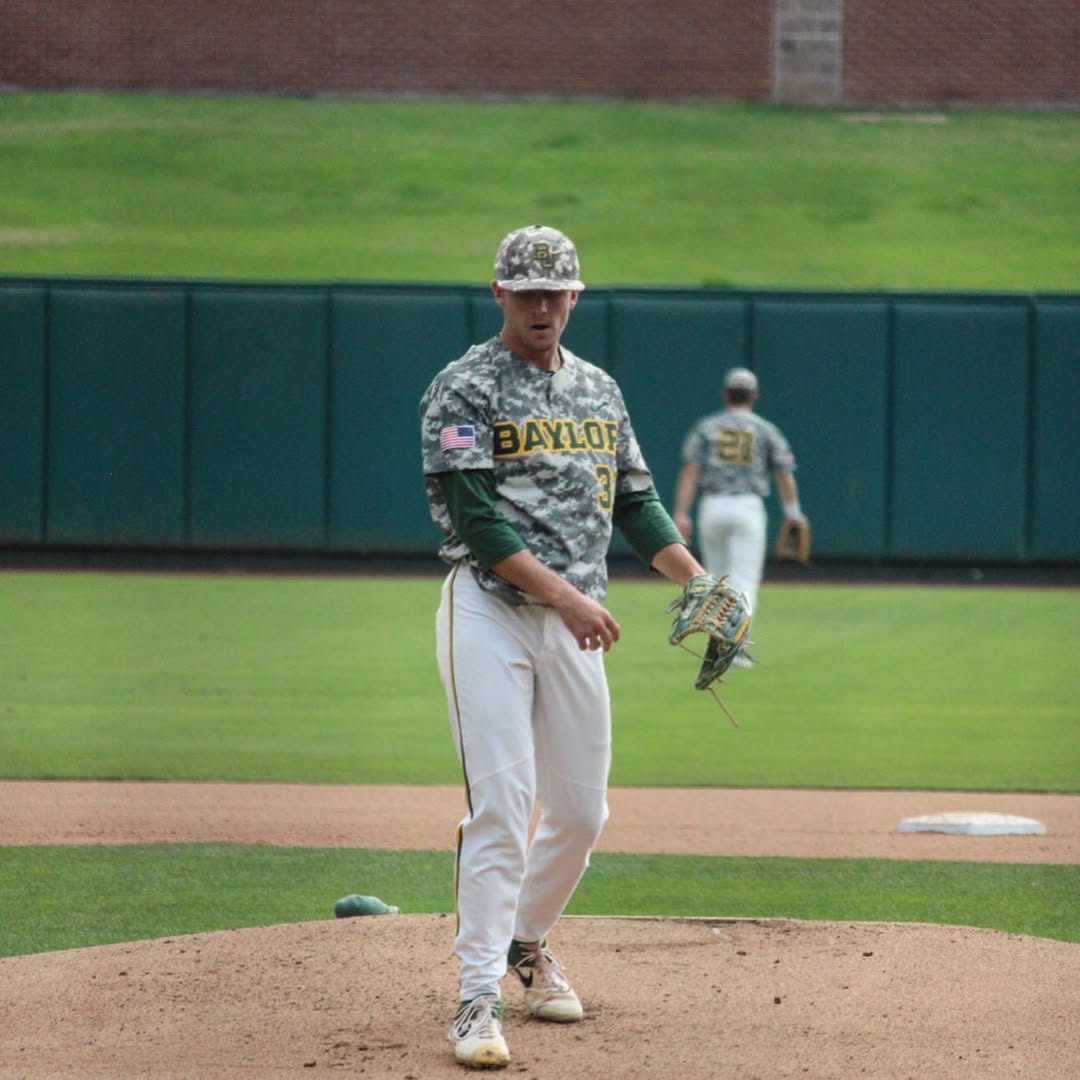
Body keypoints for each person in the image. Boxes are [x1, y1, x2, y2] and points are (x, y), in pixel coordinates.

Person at [419, 224, 709, 1069]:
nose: (541, 305)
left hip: (577, 622)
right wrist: (569, 597)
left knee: (582, 814)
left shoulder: (598, 389)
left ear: (576, 296)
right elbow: (477, 521)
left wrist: (697, 580)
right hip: (491, 610)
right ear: (499, 294)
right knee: (503, 807)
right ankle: (476, 999)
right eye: (526, 292)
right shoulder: (464, 387)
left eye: (556, 292)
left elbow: (636, 503)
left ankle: (526, 939)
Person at [673, 366, 806, 666]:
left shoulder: (707, 427)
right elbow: (784, 474)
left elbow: (690, 470)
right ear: (754, 395)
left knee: (717, 581)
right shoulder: (765, 429)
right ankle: (734, 646)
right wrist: (793, 512)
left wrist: (681, 513)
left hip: (712, 506)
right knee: (744, 580)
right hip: (748, 507)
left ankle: (718, 643)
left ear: (725, 394)